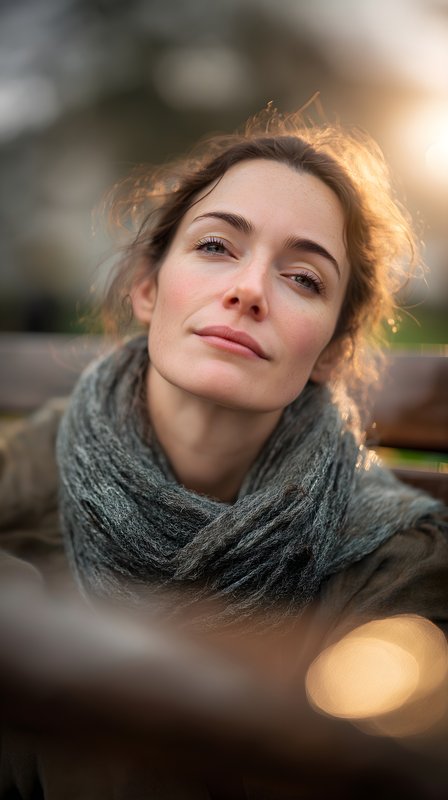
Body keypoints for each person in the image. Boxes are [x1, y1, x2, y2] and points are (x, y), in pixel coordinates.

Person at [1, 106, 448, 799]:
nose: (248, 290)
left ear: (330, 350)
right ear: (147, 289)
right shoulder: (27, 467)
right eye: (216, 246)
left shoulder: (397, 567)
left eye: (303, 278)